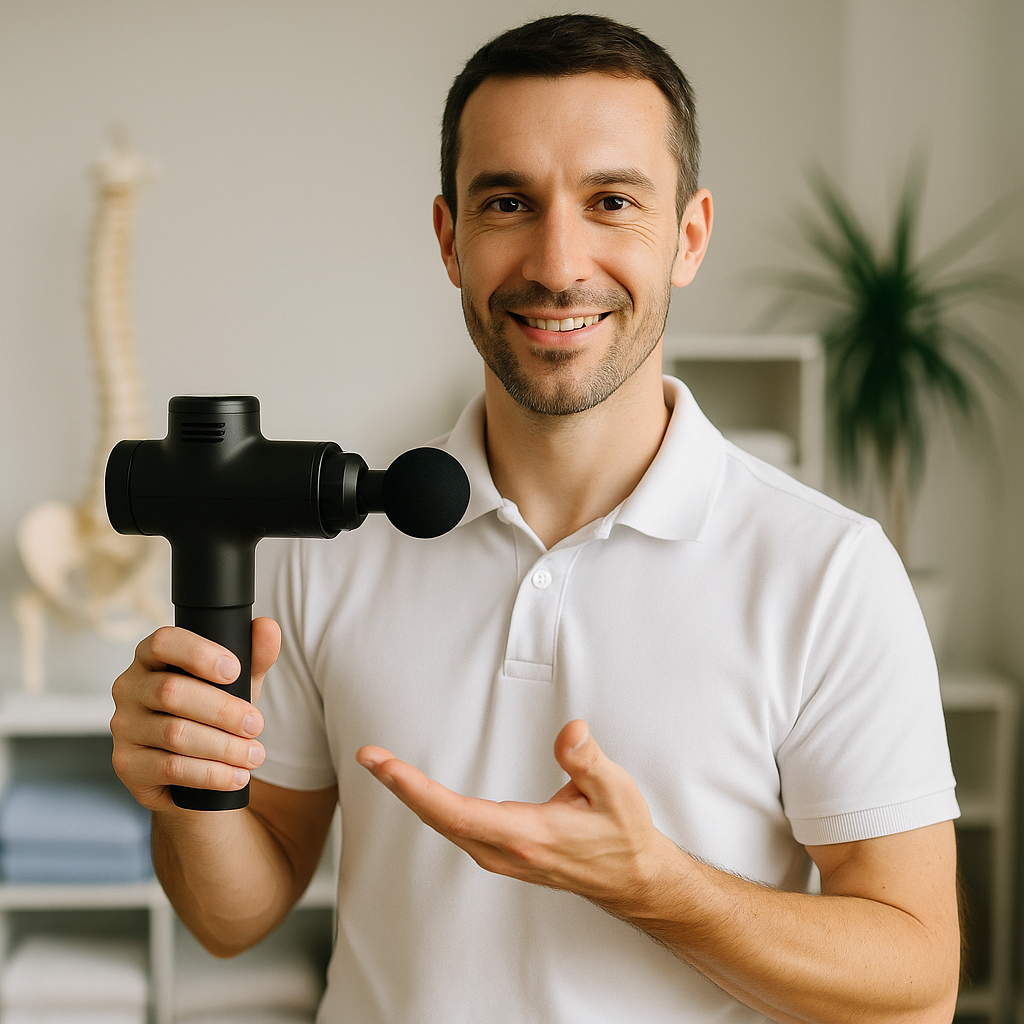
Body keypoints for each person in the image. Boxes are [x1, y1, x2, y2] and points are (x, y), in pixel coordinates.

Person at [110, 13, 961, 1023]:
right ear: (449, 239)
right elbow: (231, 916)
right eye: (508, 201)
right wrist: (185, 786)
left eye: (611, 201)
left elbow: (917, 983)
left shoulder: (827, 571)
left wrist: (659, 886)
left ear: (687, 237)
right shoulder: (327, 546)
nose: (558, 262)